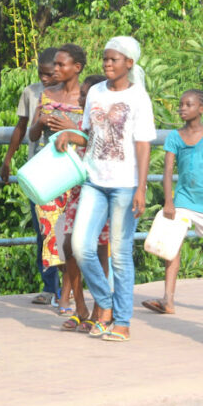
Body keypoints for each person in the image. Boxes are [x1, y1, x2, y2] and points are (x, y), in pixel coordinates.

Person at [58, 36, 155, 342]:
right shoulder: (97, 92)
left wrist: (141, 187)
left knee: (121, 256)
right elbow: (89, 134)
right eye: (105, 59)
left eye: (114, 59)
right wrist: (70, 136)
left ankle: (122, 320)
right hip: (94, 180)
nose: (108, 64)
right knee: (80, 246)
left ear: (129, 63)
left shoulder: (139, 97)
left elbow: (142, 145)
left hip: (125, 186)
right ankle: (105, 303)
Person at [141, 89, 203, 315]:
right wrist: (168, 201)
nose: (182, 108)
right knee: (171, 246)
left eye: (188, 104)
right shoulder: (175, 137)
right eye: (181, 104)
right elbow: (167, 171)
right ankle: (168, 299)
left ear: (201, 109)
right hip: (184, 199)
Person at [0, 48, 60, 306]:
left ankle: (67, 289)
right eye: (41, 74)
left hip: (65, 170)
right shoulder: (31, 93)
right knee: (43, 231)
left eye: (49, 74)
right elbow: (21, 128)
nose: (45, 79)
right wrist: (8, 160)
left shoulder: (76, 95)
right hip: (39, 171)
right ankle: (50, 287)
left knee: (65, 232)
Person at [28, 44, 86, 315]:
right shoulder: (46, 95)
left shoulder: (89, 96)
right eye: (56, 65)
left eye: (62, 65)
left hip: (77, 173)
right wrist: (41, 121)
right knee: (51, 234)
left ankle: (68, 293)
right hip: (49, 172)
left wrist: (71, 128)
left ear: (77, 68)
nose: (56, 70)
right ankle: (63, 293)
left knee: (73, 236)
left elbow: (93, 134)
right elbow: (32, 135)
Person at [59, 74, 110, 332]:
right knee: (70, 246)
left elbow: (101, 146)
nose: (81, 99)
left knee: (99, 250)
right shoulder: (79, 122)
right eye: (81, 95)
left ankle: (100, 309)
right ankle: (80, 307)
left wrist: (73, 133)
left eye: (86, 96)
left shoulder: (105, 122)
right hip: (77, 193)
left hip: (100, 191)